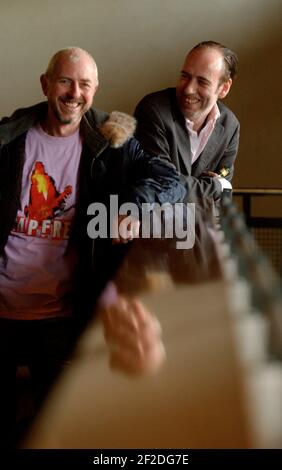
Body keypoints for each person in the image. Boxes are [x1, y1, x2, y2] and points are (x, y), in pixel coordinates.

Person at [0, 47, 184, 448]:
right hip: (2, 307)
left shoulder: (111, 143)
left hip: (62, 315)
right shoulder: (8, 139)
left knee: (58, 428)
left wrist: (134, 207)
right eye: (65, 81)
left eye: (84, 84)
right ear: (46, 84)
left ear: (95, 90)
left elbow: (172, 181)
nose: (74, 92)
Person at [134, 40, 239, 202]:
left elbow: (223, 180)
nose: (189, 89)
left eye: (202, 82)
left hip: (200, 225)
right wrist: (216, 187)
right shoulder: (153, 110)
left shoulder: (230, 126)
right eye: (185, 76)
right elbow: (161, 184)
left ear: (224, 88)